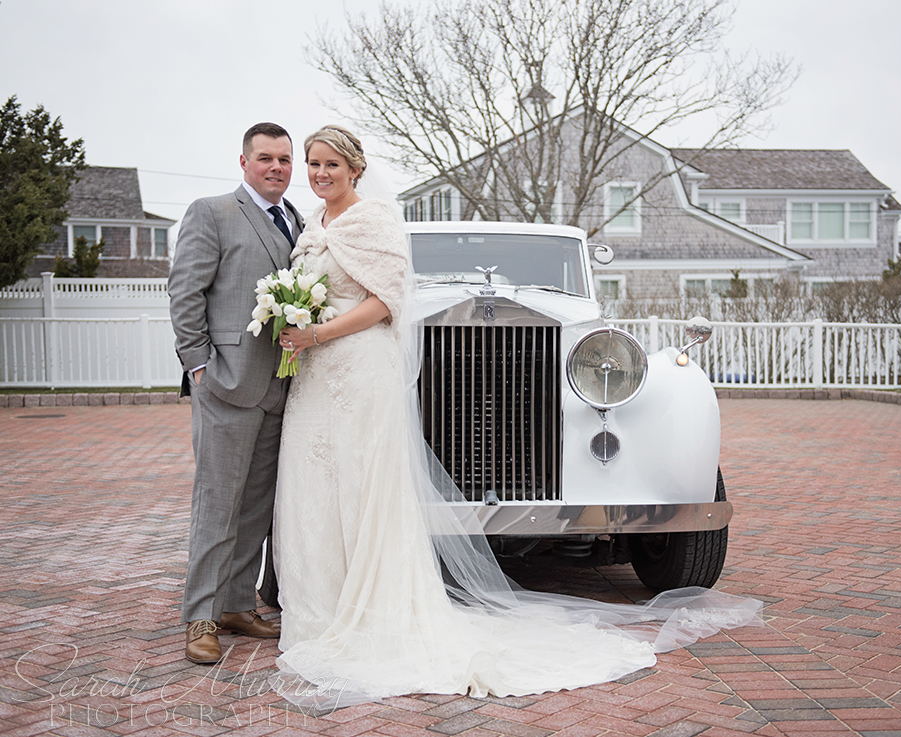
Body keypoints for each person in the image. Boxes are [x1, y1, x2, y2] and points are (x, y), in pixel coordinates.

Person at [272, 125, 762, 708]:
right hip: (345, 372)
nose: (320, 172)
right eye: (314, 164)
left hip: (352, 357)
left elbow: (384, 295)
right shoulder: (315, 226)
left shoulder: (371, 221)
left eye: (331, 164)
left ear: (353, 169)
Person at [168, 122, 303, 664]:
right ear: (244, 162)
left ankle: (235, 604)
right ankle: (200, 616)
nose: (277, 168)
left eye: (285, 160)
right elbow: (185, 290)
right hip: (226, 381)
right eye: (266, 158)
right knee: (218, 502)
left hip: (282, 384)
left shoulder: (296, 220)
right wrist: (198, 364)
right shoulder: (212, 211)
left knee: (256, 505)